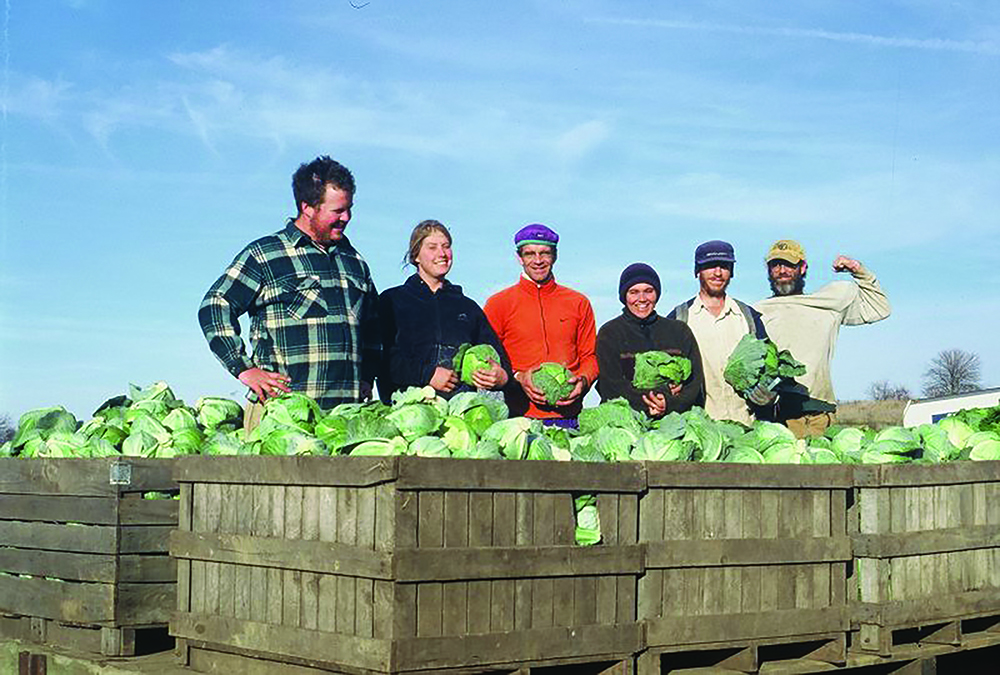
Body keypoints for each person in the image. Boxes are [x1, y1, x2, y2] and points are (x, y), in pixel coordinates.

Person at [199, 156, 379, 428]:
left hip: (346, 420)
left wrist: (367, 376)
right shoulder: (265, 255)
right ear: (307, 207)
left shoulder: (354, 261)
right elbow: (215, 305)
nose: (347, 218)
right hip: (282, 418)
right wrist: (243, 368)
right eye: (338, 211)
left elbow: (373, 327)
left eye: (349, 209)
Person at [755, 239, 891, 437]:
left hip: (819, 414)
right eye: (775, 265)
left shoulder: (827, 304)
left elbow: (880, 307)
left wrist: (858, 270)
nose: (782, 270)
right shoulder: (757, 312)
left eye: (789, 264)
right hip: (775, 416)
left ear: (802, 268)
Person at [378, 220, 510, 401]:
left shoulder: (468, 308)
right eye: (432, 247)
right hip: (405, 409)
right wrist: (427, 375)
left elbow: (500, 359)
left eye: (446, 246)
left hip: (458, 413)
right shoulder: (392, 300)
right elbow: (380, 357)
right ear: (416, 255)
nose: (442, 253)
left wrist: (502, 377)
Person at [483, 223, 598, 426]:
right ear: (519, 258)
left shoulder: (579, 302)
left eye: (545, 253)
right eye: (530, 254)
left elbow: (590, 357)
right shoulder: (498, 304)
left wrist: (584, 380)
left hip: (569, 417)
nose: (538, 261)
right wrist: (518, 377)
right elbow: (490, 360)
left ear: (555, 256)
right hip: (517, 419)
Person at [668, 240, 771, 425]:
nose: (717, 273)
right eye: (710, 266)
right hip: (700, 429)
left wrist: (770, 392)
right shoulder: (679, 318)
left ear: (731, 272)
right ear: (697, 271)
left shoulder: (748, 316)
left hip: (748, 426)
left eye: (724, 266)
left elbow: (771, 364)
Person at [596, 263, 704, 417]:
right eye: (634, 292)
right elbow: (611, 386)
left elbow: (694, 382)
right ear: (624, 296)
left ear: (657, 294)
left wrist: (668, 404)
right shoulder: (610, 333)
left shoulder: (679, 331)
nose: (642, 299)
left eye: (648, 291)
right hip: (625, 422)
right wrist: (654, 401)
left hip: (675, 420)